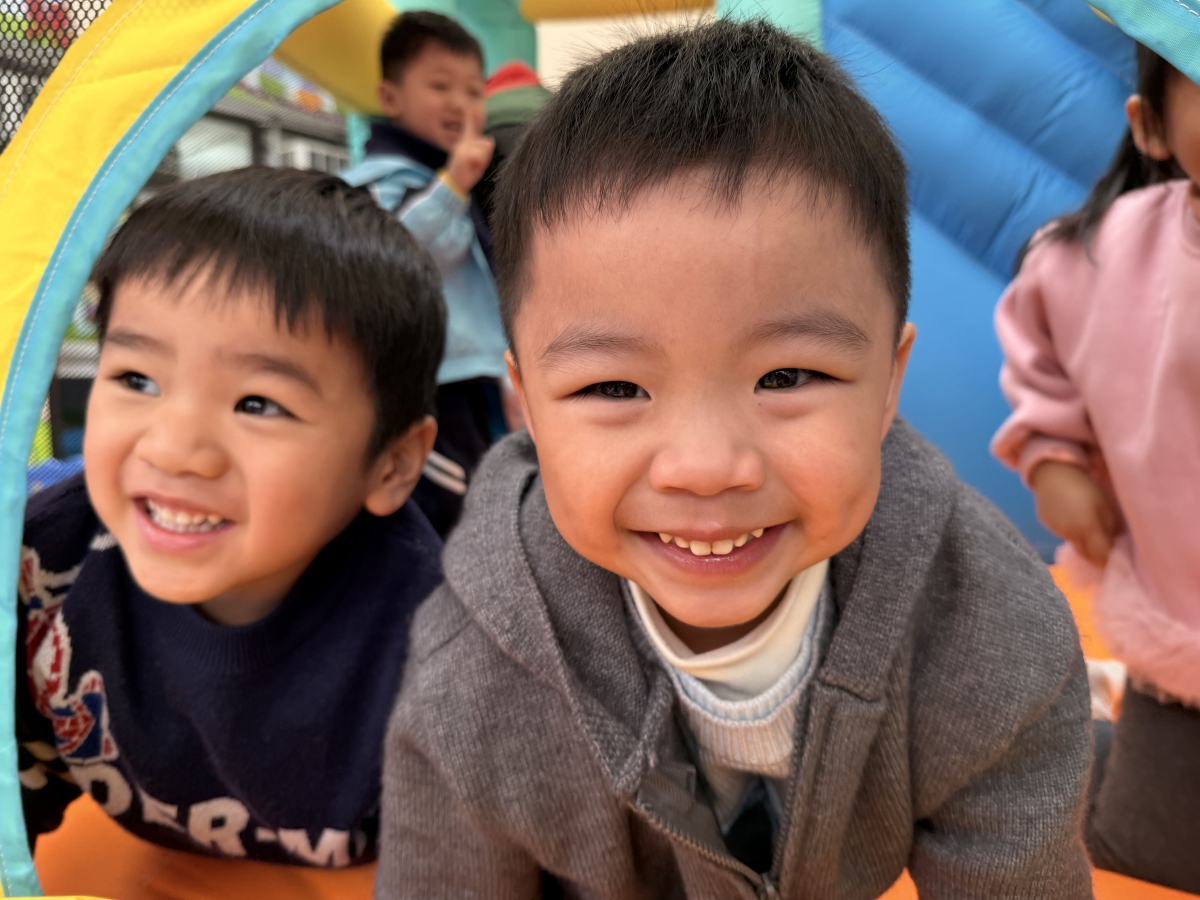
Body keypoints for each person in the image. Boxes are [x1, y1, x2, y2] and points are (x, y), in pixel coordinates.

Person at [375, 20, 1094, 898]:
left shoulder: (991, 635)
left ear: (888, 385)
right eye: (615, 388)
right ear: (524, 406)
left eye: (786, 376)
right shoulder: (472, 675)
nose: (706, 467)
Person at [17, 167, 445, 867]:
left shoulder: (441, 644)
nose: (174, 449)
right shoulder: (42, 569)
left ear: (391, 464)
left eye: (258, 404)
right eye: (136, 379)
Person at [993, 43, 1200, 894]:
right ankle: (1081, 739)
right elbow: (1043, 342)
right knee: (1156, 850)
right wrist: (1053, 454)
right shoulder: (1102, 255)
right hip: (1183, 627)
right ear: (1152, 128)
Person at [340, 11, 510, 537]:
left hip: (469, 370)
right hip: (428, 378)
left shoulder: (443, 173)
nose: (461, 103)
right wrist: (453, 185)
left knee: (484, 484)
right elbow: (391, 254)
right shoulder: (378, 179)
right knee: (448, 505)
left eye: (474, 91)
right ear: (390, 98)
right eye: (440, 86)